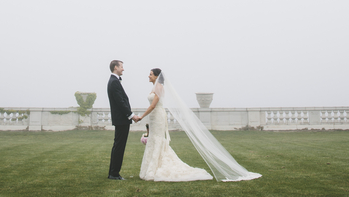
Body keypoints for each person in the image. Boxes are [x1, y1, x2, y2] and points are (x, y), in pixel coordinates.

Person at [134, 68, 262, 182]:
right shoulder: (154, 87)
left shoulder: (159, 87)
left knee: (158, 139)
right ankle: (151, 168)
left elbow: (153, 105)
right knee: (154, 139)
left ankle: (154, 169)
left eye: (151, 74)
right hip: (154, 117)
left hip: (158, 116)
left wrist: (141, 116)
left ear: (157, 76)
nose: (148, 76)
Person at [107, 60, 134, 180]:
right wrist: (131, 115)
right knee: (119, 147)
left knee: (118, 146)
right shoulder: (114, 82)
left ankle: (113, 172)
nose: (123, 69)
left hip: (121, 119)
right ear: (115, 67)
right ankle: (114, 174)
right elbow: (120, 102)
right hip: (121, 120)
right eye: (121, 67)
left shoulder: (114, 81)